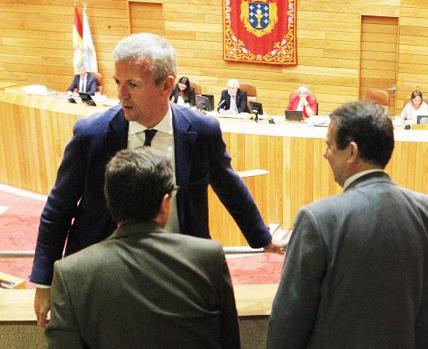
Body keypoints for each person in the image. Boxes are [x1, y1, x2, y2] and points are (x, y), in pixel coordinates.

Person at [32, 32, 284, 328]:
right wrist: (44, 281)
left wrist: (262, 238)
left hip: (176, 271)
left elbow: (228, 186)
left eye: (133, 85)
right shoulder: (92, 134)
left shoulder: (200, 131)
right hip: (101, 271)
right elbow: (58, 207)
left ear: (166, 85)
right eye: (117, 82)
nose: (120, 94)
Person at [267, 101, 428, 348]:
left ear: (351, 152)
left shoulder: (318, 219)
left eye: (329, 146)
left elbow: (289, 319)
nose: (325, 154)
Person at [45, 147, 240, 349]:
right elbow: (230, 342)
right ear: (165, 204)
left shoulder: (70, 273)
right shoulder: (208, 258)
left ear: (110, 201)